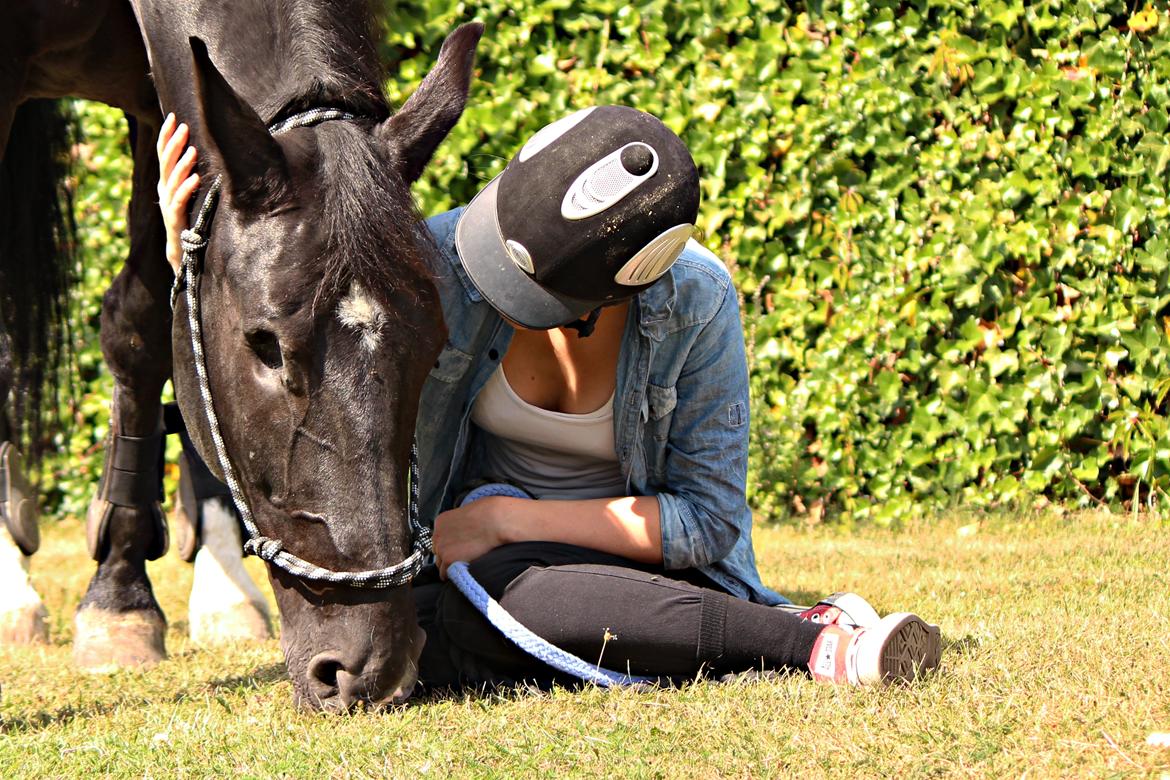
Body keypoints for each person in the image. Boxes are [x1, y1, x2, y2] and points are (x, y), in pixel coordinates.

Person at [156, 106, 942, 688]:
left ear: (610, 297)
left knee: (483, 609)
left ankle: (808, 642)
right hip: (463, 569)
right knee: (435, 629)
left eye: (525, 290)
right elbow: (293, 377)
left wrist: (504, 520)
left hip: (616, 573)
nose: (483, 283)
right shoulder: (435, 258)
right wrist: (196, 260)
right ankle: (688, 645)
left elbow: (706, 524)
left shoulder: (696, 304)